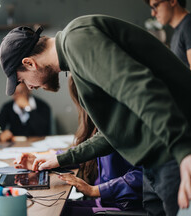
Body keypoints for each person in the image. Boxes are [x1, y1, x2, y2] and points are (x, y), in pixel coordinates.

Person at [0, 15, 191, 216]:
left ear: (29, 62)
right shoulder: (76, 58)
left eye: (22, 80)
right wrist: (60, 159)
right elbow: (113, 132)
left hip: (186, 142)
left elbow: (139, 88)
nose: (30, 87)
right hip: (162, 151)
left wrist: (183, 149)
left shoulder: (77, 39)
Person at [15, 76, 143, 215]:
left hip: (123, 206)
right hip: (107, 201)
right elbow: (85, 152)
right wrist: (46, 159)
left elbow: (143, 176)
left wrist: (95, 190)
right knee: (54, 208)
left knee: (52, 212)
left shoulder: (124, 121)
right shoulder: (100, 122)